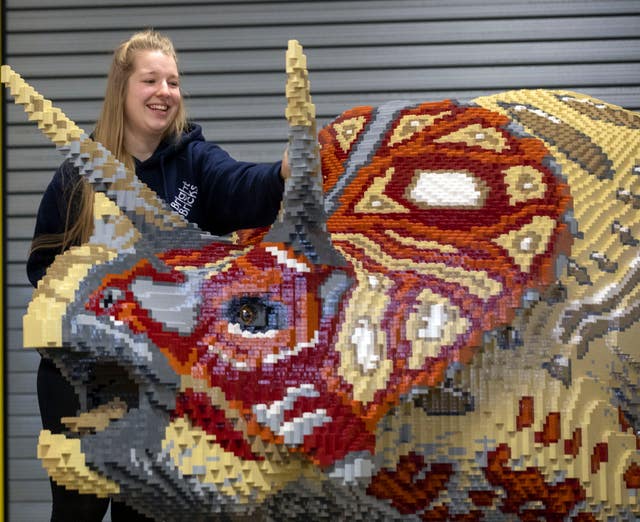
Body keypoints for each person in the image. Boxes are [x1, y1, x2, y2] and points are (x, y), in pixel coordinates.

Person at [27, 29, 289, 522]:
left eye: (173, 81)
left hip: (162, 385)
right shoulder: (78, 176)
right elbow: (43, 270)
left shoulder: (195, 163)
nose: (164, 91)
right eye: (151, 79)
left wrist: (282, 172)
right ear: (122, 90)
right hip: (81, 377)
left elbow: (241, 185)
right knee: (77, 510)